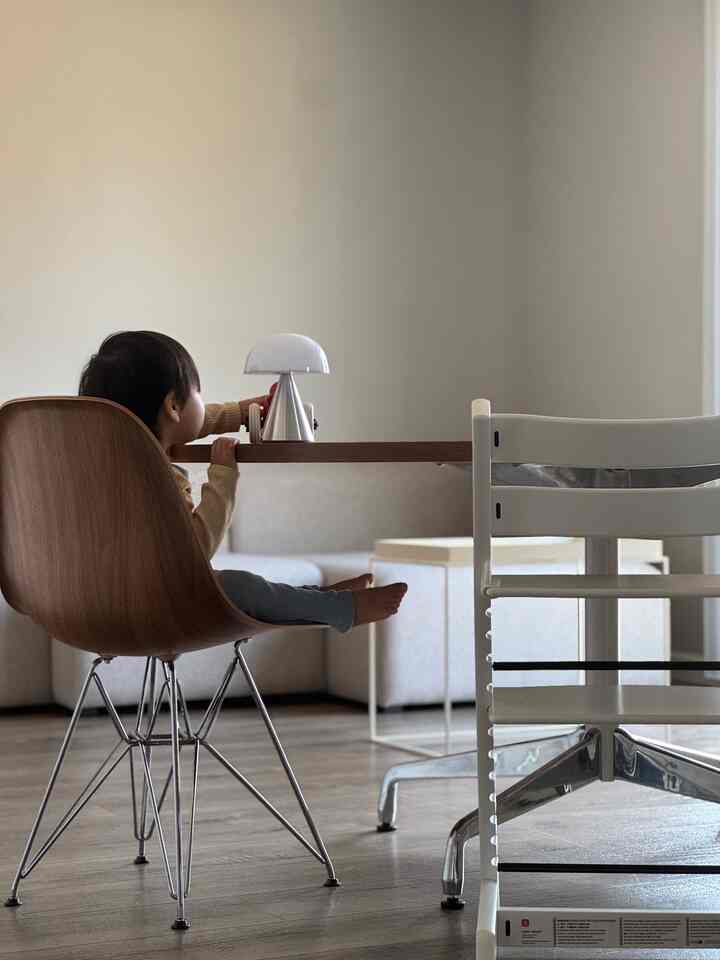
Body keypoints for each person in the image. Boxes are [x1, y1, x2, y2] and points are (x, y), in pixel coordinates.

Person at [79, 331, 407, 632]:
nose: (201, 401)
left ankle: (317, 600)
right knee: (239, 587)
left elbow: (193, 421)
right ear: (174, 405)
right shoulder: (157, 479)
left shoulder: (104, 468)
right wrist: (223, 474)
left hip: (90, 603)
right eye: (197, 392)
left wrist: (241, 412)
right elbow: (196, 552)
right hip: (155, 605)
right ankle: (339, 608)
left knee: (245, 590)